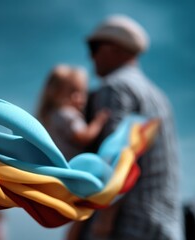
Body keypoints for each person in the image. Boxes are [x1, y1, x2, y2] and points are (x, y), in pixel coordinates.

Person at [69, 14, 182, 240]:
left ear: (113, 48)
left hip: (126, 224)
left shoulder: (115, 87)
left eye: (93, 48)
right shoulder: (158, 95)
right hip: (164, 222)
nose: (90, 57)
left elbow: (115, 159)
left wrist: (103, 221)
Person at [37, 64, 109, 160]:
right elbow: (83, 138)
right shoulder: (68, 114)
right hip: (70, 164)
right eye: (72, 92)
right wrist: (99, 121)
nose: (79, 98)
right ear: (55, 93)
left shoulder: (50, 115)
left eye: (82, 92)